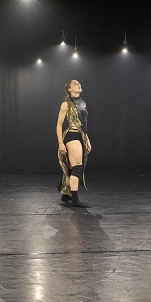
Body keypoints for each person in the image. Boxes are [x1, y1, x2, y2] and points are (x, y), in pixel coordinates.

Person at [56, 79, 92, 207]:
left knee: (71, 167)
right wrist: (61, 143)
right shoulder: (66, 104)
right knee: (77, 167)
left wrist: (87, 139)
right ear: (69, 89)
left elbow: (83, 124)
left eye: (79, 83)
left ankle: (65, 193)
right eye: (75, 84)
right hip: (72, 135)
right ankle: (75, 199)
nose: (79, 85)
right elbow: (59, 125)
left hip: (80, 136)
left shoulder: (82, 103)